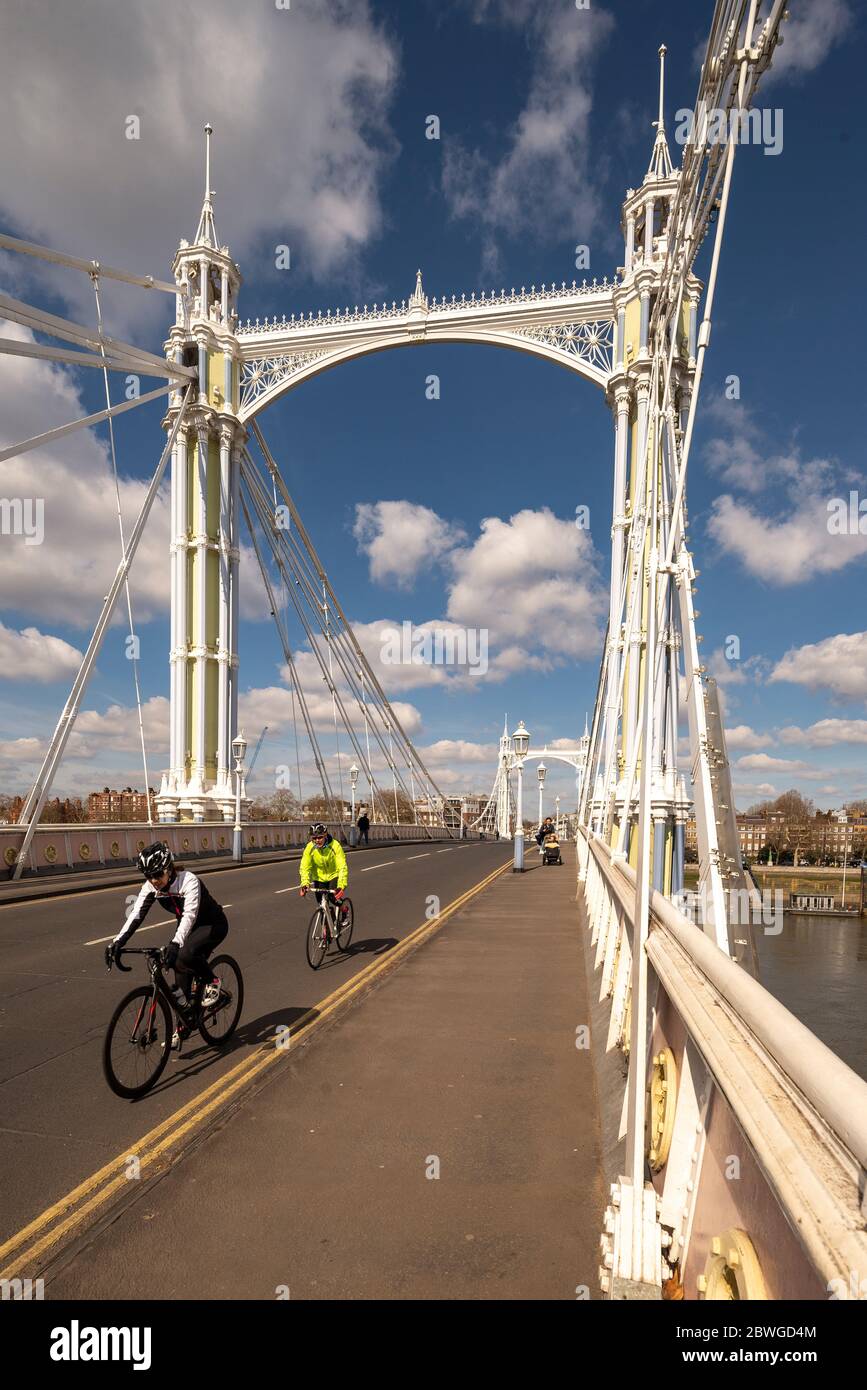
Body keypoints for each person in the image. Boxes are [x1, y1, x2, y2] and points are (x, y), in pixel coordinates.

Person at [106, 842, 228, 1049]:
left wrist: (175, 943)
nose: (153, 881)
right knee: (176, 964)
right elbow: (136, 915)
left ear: (169, 868)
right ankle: (185, 1022)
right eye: (148, 876)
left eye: (157, 875)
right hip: (187, 927)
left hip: (212, 924)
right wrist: (118, 942)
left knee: (184, 954)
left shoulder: (188, 881)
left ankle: (212, 980)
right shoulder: (151, 887)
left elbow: (190, 916)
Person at [299, 823, 349, 929]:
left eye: (320, 837)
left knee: (333, 898)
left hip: (333, 875)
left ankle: (344, 910)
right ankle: (326, 932)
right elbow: (304, 866)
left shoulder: (335, 846)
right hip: (319, 878)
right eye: (314, 838)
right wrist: (304, 883)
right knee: (321, 905)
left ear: (325, 835)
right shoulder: (309, 848)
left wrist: (341, 885)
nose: (317, 840)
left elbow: (342, 866)